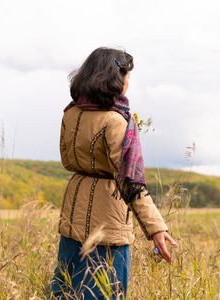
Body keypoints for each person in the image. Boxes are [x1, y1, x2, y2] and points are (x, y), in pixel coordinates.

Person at [49, 47, 176, 299]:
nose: (128, 83)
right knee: (104, 290)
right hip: (108, 217)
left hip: (73, 206)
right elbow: (131, 182)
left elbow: (67, 161)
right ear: (116, 79)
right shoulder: (116, 120)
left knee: (65, 289)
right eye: (127, 77)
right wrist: (156, 228)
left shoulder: (71, 112)